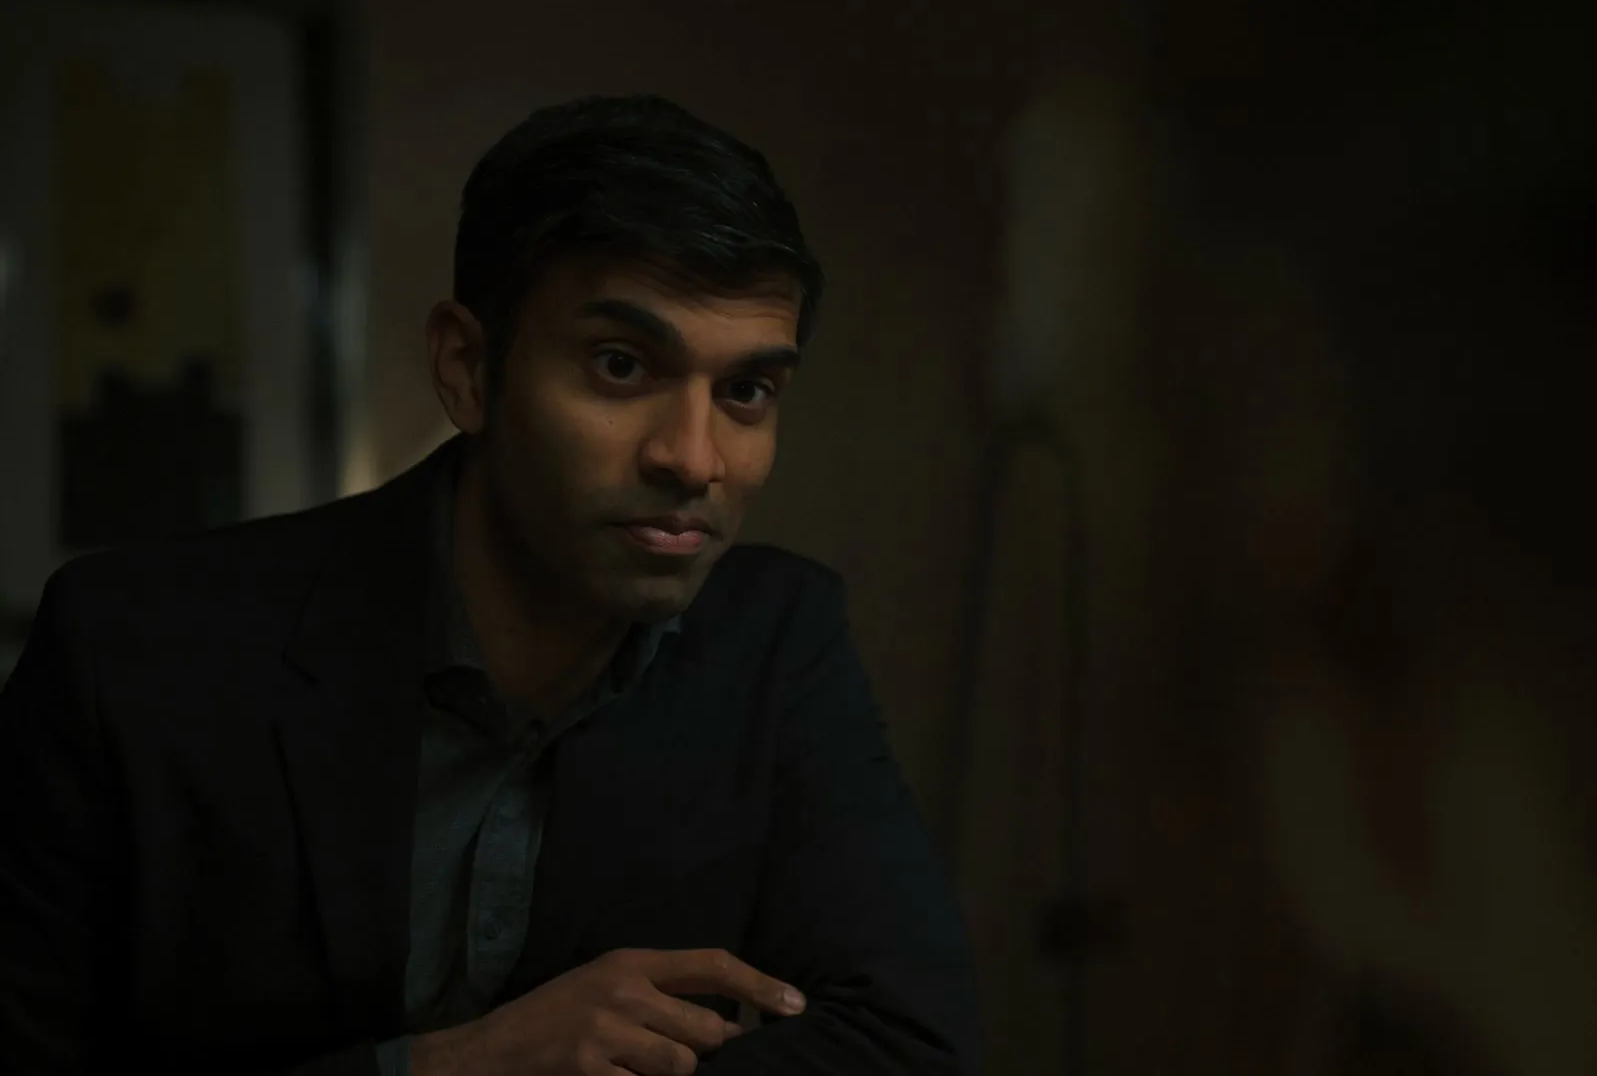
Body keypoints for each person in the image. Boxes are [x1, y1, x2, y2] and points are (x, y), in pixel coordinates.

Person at [0, 95, 979, 1076]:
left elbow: (909, 1041)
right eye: (620, 365)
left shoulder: (776, 638)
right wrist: (448, 1068)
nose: (694, 457)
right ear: (467, 368)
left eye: (746, 391)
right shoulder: (134, 653)